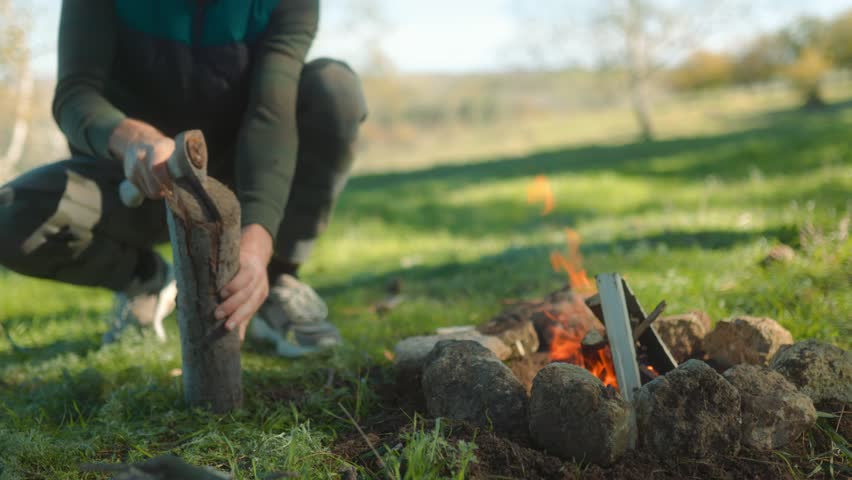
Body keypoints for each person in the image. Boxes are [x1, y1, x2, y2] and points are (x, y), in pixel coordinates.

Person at [0, 0, 367, 356]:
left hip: (237, 177)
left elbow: (270, 115)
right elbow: (75, 94)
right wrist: (133, 140)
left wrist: (256, 243)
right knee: (8, 218)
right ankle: (143, 279)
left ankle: (274, 280)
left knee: (334, 88)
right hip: (133, 180)